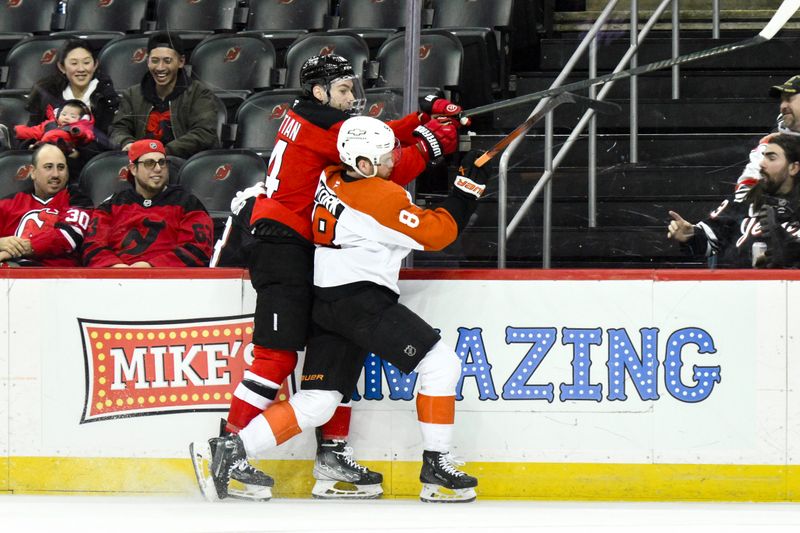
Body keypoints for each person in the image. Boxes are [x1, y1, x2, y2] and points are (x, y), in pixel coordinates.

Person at [208, 54, 462, 500]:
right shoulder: (326, 128)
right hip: (283, 247)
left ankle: (330, 454)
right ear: (321, 92)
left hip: (303, 251)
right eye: (344, 89)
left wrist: (420, 120)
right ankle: (228, 453)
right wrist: (427, 142)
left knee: (334, 362)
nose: (352, 97)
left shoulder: (315, 116)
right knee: (275, 359)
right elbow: (382, 166)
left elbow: (371, 142)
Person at [668, 134, 800, 268]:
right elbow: (711, 242)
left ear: (793, 167)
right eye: (764, 156)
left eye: (771, 158)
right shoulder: (744, 199)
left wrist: (787, 245)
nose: (762, 163)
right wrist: (691, 236)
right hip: (738, 285)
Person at [81, 139, 213, 267]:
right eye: (149, 163)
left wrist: (150, 266)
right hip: (115, 281)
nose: (158, 168)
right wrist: (116, 268)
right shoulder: (112, 205)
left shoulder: (187, 203)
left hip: (169, 282)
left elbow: (198, 249)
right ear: (133, 169)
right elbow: (93, 245)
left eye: (162, 162)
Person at [109, 31, 220, 159]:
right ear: (147, 61)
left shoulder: (199, 93)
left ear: (181, 62)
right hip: (143, 165)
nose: (160, 67)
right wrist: (127, 142)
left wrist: (161, 152)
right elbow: (118, 128)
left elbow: (204, 133)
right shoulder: (132, 95)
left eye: (167, 61)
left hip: (181, 163)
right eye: (154, 61)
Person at [24, 38, 119, 176]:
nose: (81, 69)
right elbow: (31, 131)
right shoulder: (47, 93)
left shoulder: (106, 97)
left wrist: (79, 153)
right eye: (74, 63)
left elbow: (108, 142)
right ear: (62, 67)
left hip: (89, 168)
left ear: (95, 64)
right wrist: (33, 146)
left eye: (86, 62)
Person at [0, 143, 92, 266]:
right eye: (48, 167)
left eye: (61, 167)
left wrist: (18, 250)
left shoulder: (78, 201)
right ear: (33, 172)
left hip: (60, 279)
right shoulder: (7, 204)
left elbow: (69, 235)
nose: (55, 174)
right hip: (11, 278)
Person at [735, 75, 800, 198]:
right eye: (782, 100)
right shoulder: (771, 143)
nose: (783, 106)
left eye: (789, 99)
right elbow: (744, 191)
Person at [14, 99, 95, 156]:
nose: (66, 117)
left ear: (83, 119)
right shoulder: (50, 124)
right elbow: (35, 131)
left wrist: (77, 131)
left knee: (63, 145)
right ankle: (37, 148)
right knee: (33, 145)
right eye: (64, 114)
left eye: (72, 116)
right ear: (58, 114)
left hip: (64, 146)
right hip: (45, 144)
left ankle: (61, 149)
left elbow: (88, 134)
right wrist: (18, 131)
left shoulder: (78, 127)